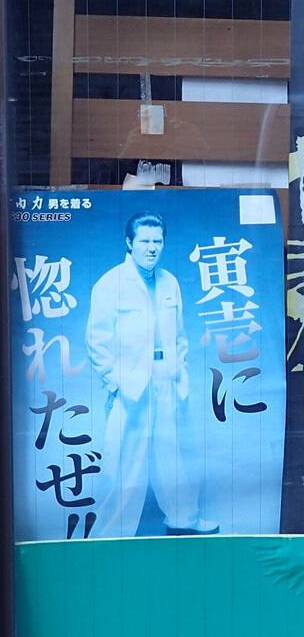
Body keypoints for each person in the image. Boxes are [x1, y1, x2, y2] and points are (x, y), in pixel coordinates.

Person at [86, 210, 217, 537]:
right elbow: (96, 341)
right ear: (129, 243)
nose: (152, 247)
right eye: (144, 241)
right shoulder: (111, 283)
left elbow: (181, 337)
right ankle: (110, 533)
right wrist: (115, 384)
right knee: (124, 462)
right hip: (131, 384)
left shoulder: (170, 281)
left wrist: (179, 372)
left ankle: (184, 519)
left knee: (175, 455)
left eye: (157, 241)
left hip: (167, 379)